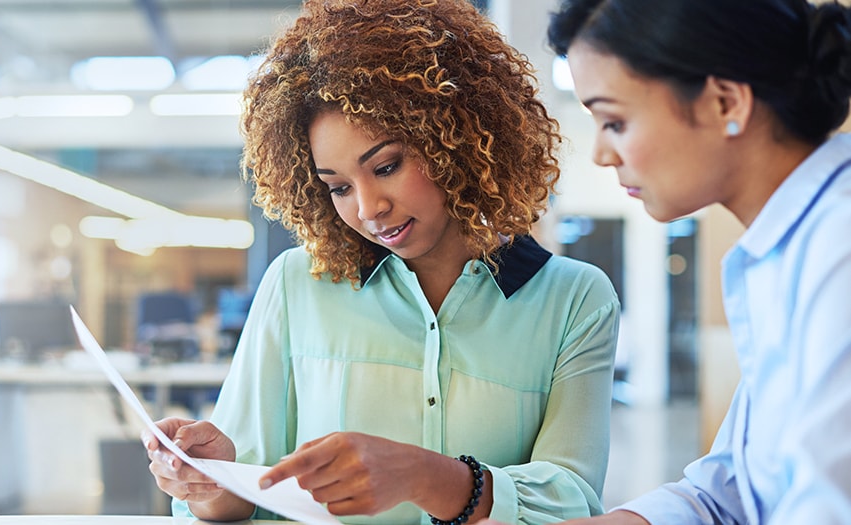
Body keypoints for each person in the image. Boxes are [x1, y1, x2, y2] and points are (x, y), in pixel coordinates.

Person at [142, 1, 620, 524]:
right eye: (339, 187)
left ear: (453, 140)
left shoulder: (575, 300)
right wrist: (208, 481)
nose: (368, 209)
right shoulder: (297, 284)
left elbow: (572, 501)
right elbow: (244, 493)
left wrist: (429, 477)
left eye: (387, 166)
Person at [529, 0, 851, 523]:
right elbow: (724, 490)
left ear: (725, 103)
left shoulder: (839, 245)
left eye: (614, 121)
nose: (601, 155)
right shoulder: (779, 251)